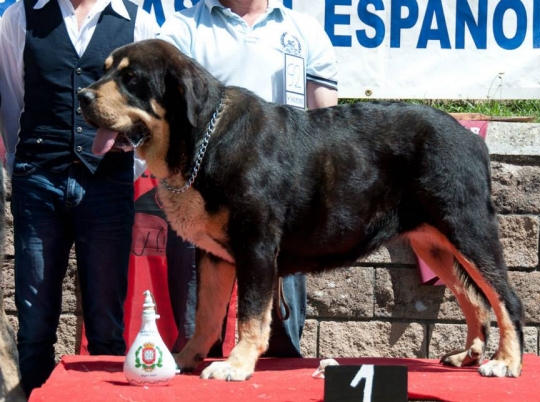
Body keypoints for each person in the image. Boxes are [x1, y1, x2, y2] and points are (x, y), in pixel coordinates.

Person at [158, 0, 338, 358]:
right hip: (203, 206)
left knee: (281, 346)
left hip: (281, 211)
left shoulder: (305, 31)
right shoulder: (181, 29)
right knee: (198, 343)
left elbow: (326, 126)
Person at [0, 0, 158, 395]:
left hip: (107, 186)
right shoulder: (20, 15)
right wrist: (30, 165)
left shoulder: (137, 20)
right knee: (35, 323)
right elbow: (12, 102)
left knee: (106, 323)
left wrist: (129, 157)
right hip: (39, 181)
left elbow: (153, 106)